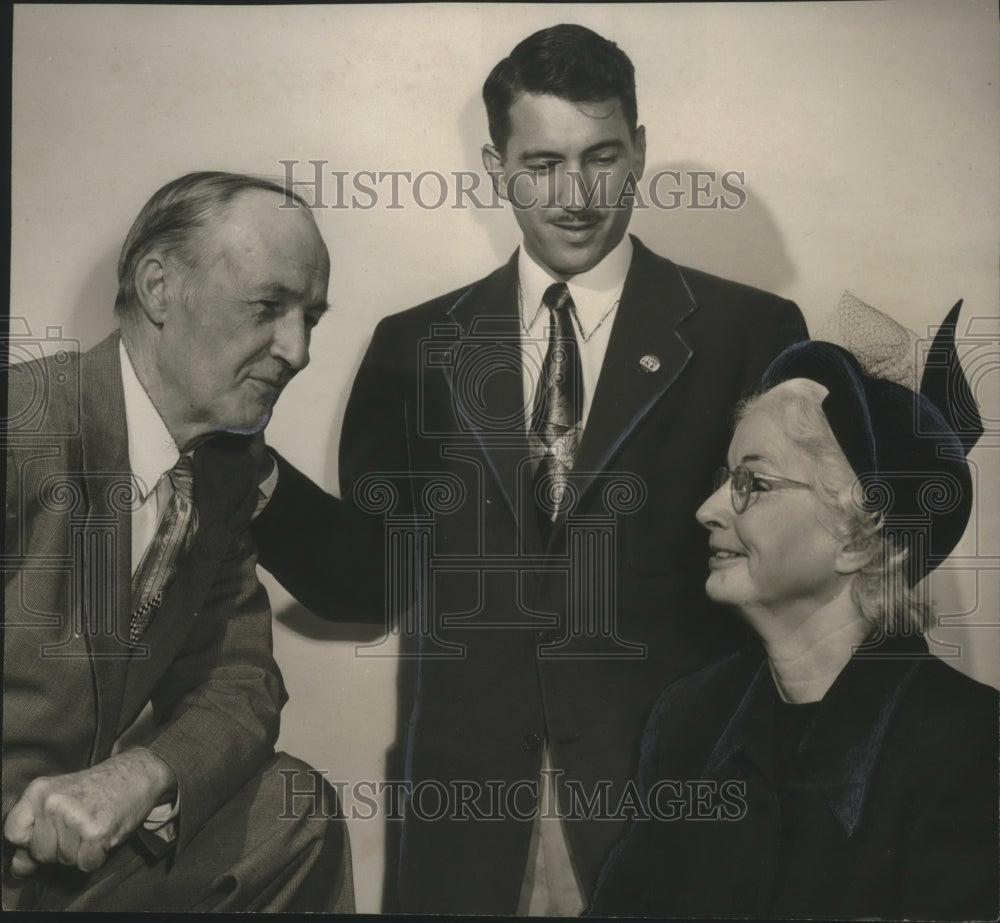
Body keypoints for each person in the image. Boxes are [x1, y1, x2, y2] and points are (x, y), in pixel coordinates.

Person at [253, 24, 806, 914]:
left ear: (641, 153)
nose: (577, 193)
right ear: (496, 164)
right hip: (467, 810)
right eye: (542, 162)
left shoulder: (752, 332)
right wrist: (246, 468)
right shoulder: (415, 346)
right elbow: (366, 575)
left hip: (678, 801)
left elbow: (797, 570)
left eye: (603, 156)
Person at [3, 172, 354, 912]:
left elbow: (240, 681)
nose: (297, 349)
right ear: (159, 288)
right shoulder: (21, 426)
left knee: (294, 808)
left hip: (69, 861)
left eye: (309, 317)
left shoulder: (219, 475)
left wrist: (143, 774)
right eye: (268, 307)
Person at [587, 302, 999, 919]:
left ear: (859, 536)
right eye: (725, 476)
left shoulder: (972, 747)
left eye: (753, 482)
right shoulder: (688, 719)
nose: (709, 508)